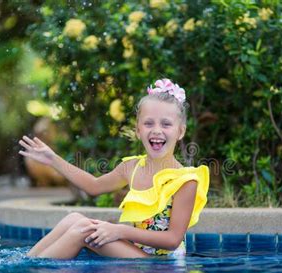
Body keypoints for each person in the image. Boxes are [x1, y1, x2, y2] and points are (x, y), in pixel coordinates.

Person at [18, 78, 209, 259]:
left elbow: (173, 240)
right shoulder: (131, 167)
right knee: (74, 218)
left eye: (166, 124)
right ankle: (28, 262)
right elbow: (93, 186)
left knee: (83, 231)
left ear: (180, 131)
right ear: (138, 130)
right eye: (148, 123)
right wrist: (53, 159)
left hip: (162, 263)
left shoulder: (185, 181)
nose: (157, 130)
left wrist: (119, 230)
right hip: (136, 251)